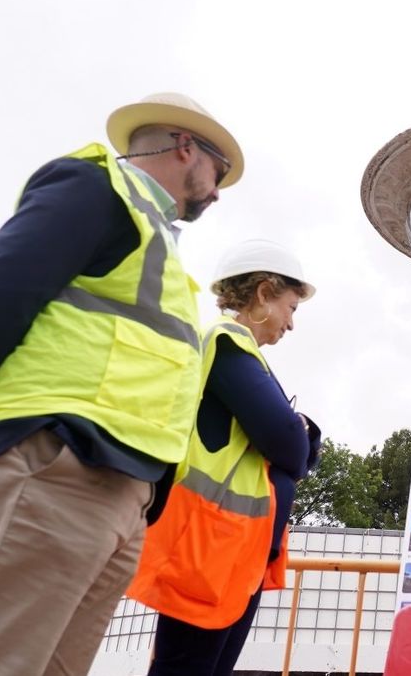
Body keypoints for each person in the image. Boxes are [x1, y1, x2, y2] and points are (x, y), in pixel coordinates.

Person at [0, 92, 243, 676]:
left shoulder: (156, 244)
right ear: (186, 147)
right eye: (219, 172)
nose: (217, 191)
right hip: (57, 462)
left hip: (119, 486)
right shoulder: (95, 187)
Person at [128, 238, 321, 676]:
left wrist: (299, 437)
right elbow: (291, 445)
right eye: (291, 307)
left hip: (234, 548)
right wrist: (303, 429)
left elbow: (292, 450)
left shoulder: (239, 354)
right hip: (211, 546)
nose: (291, 324)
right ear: (263, 292)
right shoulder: (227, 342)